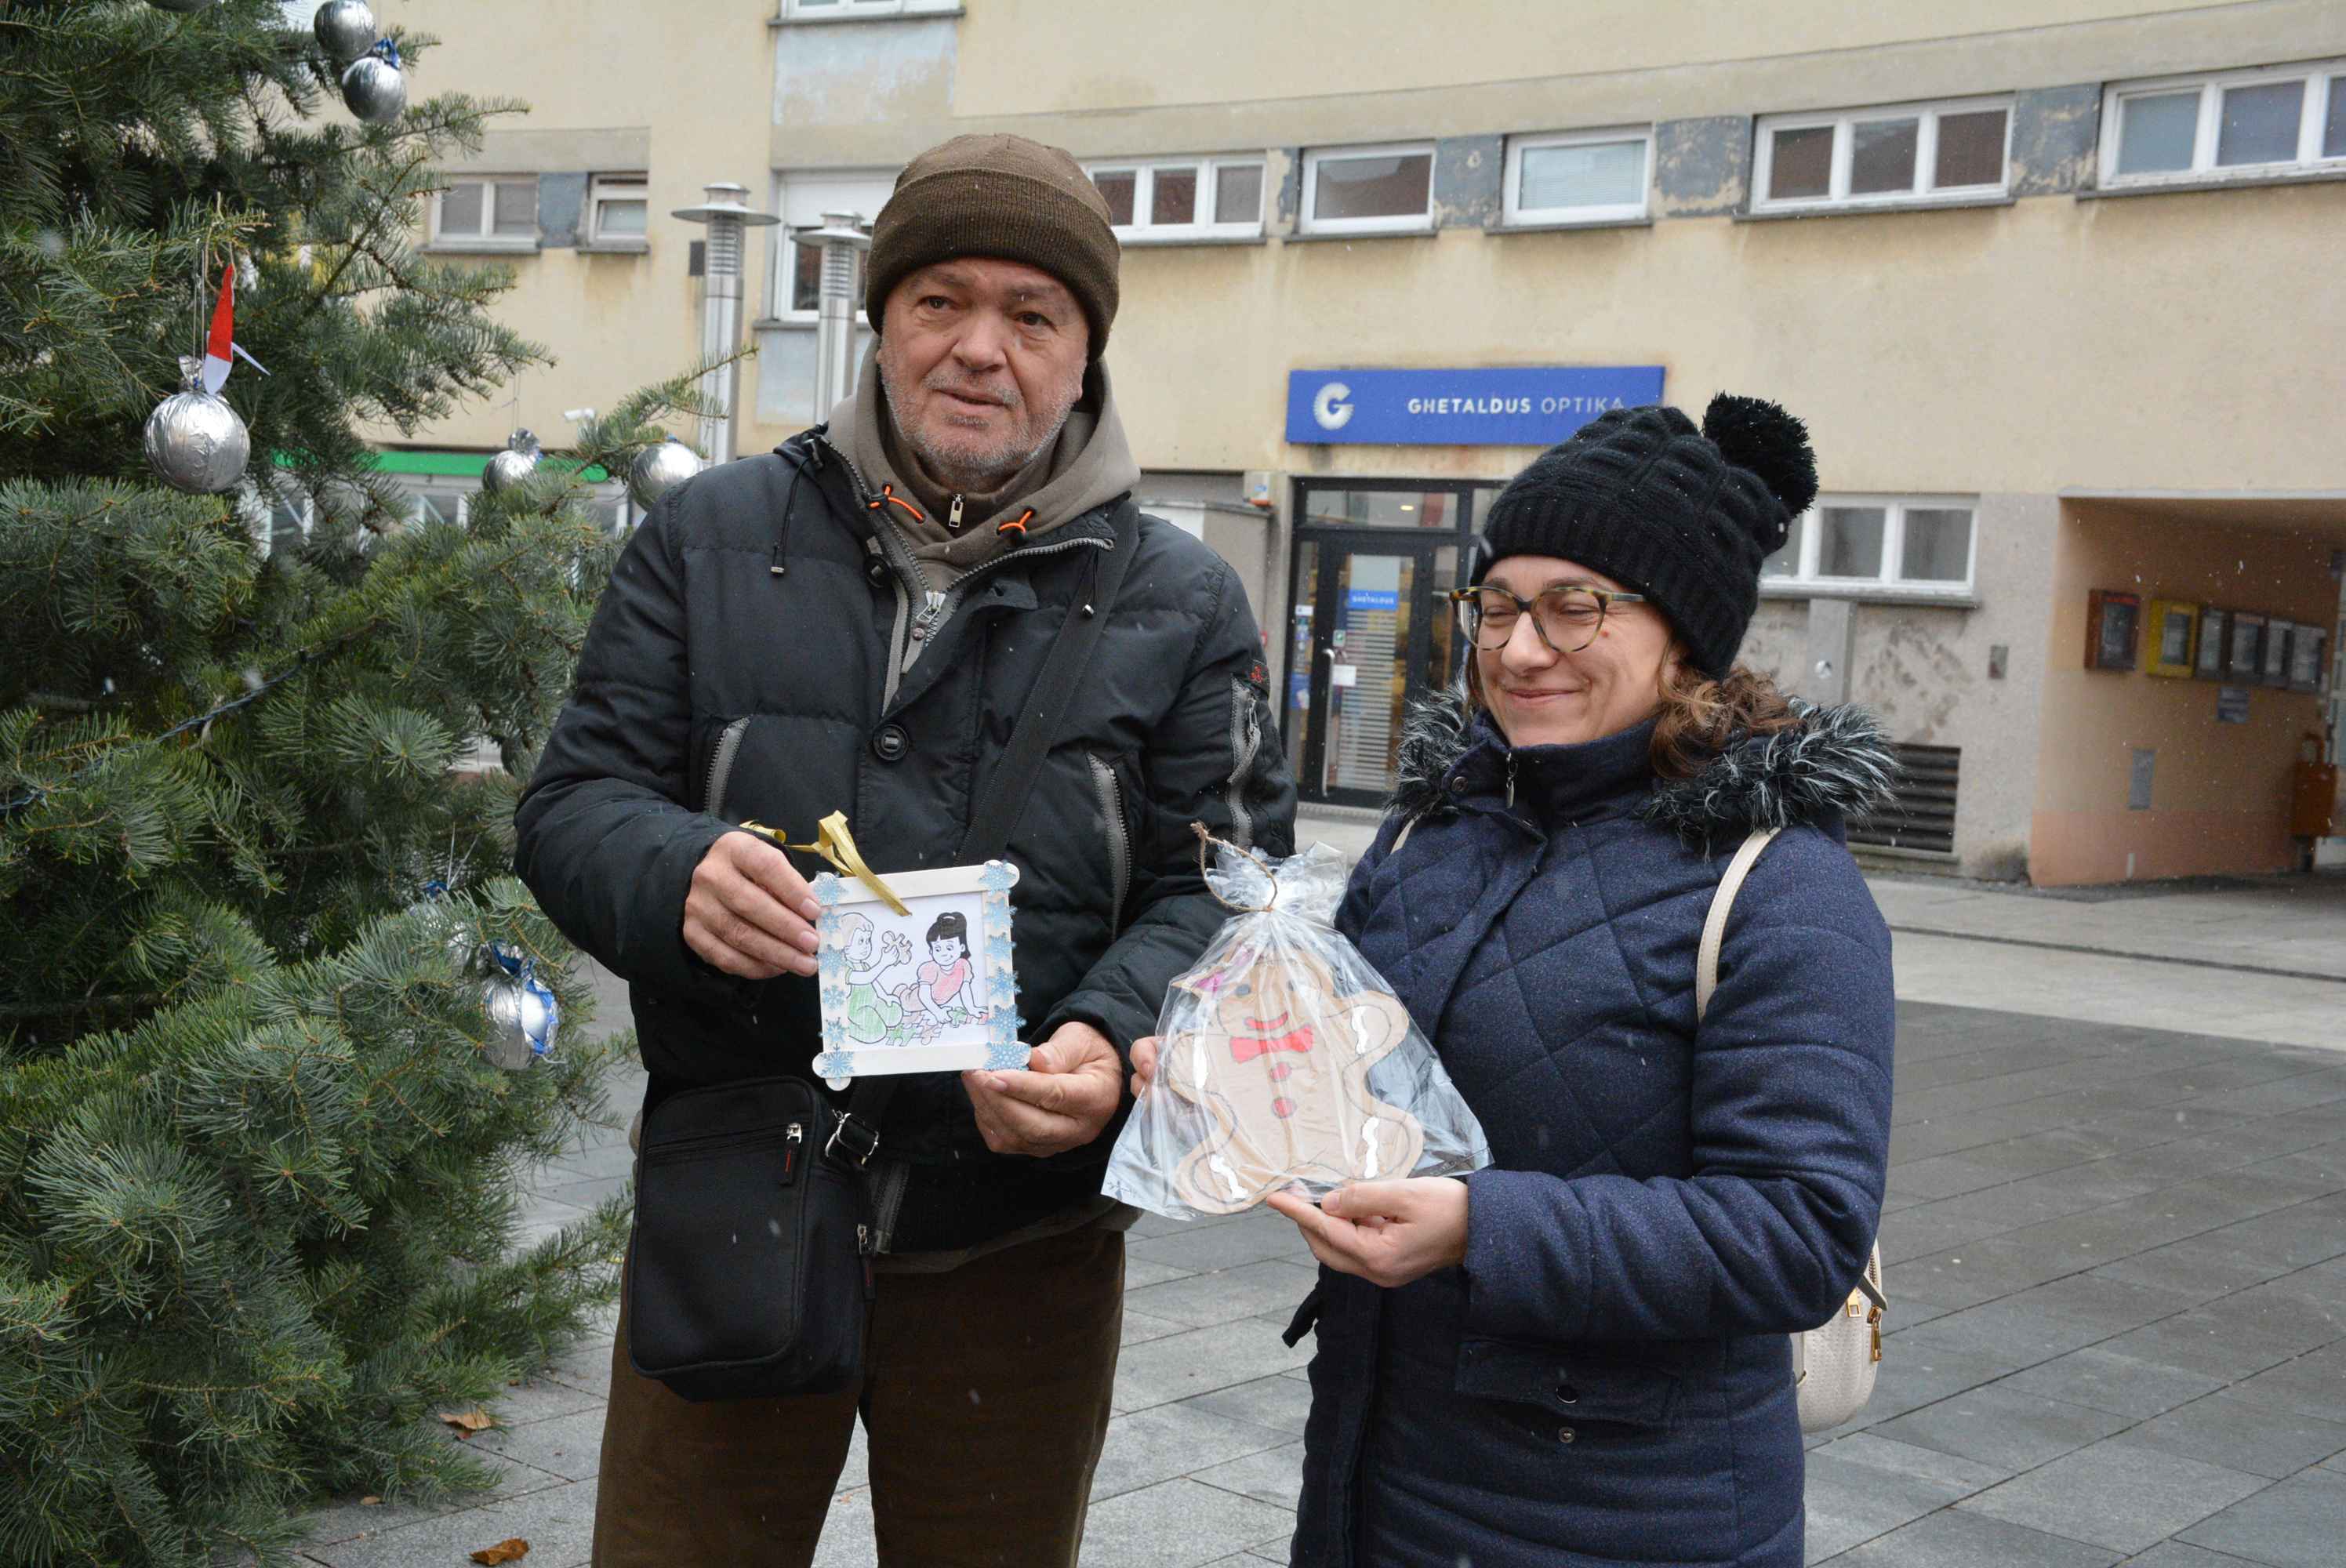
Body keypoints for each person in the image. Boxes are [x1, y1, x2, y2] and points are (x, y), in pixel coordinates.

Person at [514, 132, 1295, 1567]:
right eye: (939, 301)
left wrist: (1117, 1045)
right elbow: (570, 806)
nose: (979, 348)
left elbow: (1226, 897)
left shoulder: (1184, 601)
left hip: (1025, 1243)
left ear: (1084, 352)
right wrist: (670, 869)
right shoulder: (709, 534)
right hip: (740, 1198)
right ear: (881, 321)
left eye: (1032, 314)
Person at [1137, 396, 1898, 1566]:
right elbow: (1365, 1079)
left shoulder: (1780, 883)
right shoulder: (1431, 835)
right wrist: (1223, 1081)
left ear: (1684, 635)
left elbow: (1801, 1232)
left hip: (1626, 1513)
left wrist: (1482, 1229)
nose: (1518, 647)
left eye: (1573, 607)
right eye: (1495, 604)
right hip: (1381, 1473)